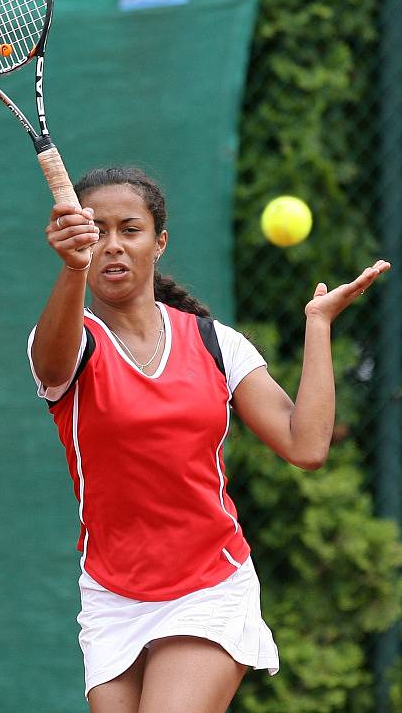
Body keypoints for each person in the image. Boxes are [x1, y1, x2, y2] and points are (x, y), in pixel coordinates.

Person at [27, 166, 390, 713]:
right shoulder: (70, 341)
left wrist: (318, 326)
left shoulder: (218, 345)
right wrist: (70, 271)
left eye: (130, 229)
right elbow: (52, 361)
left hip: (208, 584)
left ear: (160, 242)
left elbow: (306, 445)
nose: (112, 246)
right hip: (112, 592)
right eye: (95, 231)